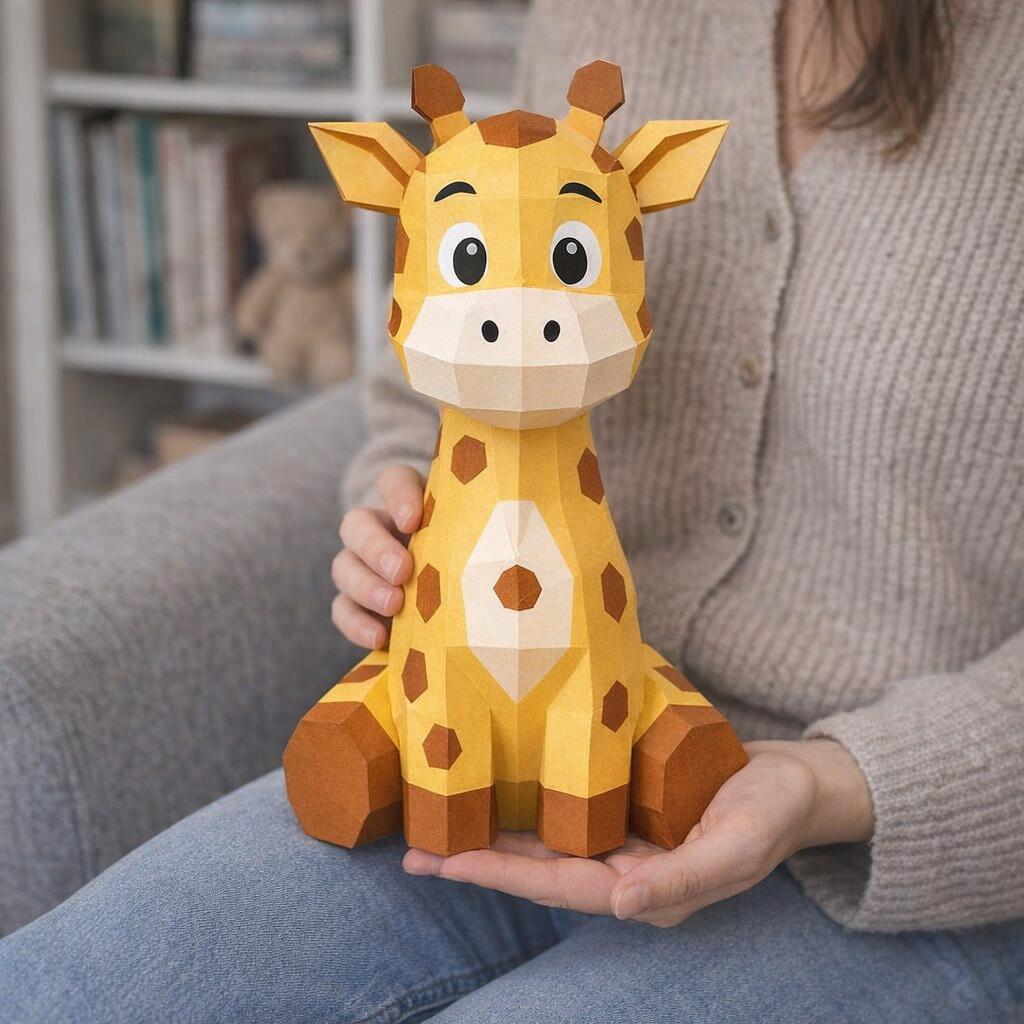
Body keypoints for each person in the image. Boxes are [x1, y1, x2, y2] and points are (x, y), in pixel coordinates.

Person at [2, 1, 1022, 1020]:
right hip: (468, 750)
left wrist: (838, 785)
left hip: (881, 850)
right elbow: (441, 348)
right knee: (67, 989)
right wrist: (395, 510)